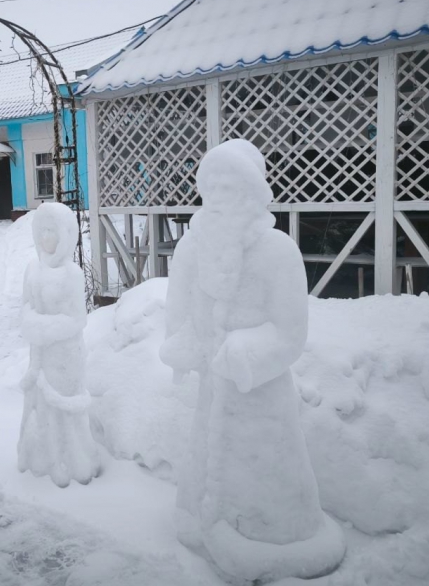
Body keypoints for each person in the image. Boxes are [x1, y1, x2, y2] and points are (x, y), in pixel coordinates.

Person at [160, 139, 345, 583]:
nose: (219, 195)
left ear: (250, 191)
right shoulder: (192, 248)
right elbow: (178, 313)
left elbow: (291, 332)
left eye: (230, 185)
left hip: (261, 397)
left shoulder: (276, 250)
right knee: (208, 461)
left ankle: (271, 536)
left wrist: (246, 353)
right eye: (211, 185)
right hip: (211, 387)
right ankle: (204, 523)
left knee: (265, 472)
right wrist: (184, 344)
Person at [17, 202, 100, 487]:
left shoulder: (72, 274)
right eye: (42, 230)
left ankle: (73, 461)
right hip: (39, 356)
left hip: (65, 358)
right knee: (41, 409)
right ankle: (44, 459)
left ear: (66, 234)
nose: (45, 237)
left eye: (52, 231)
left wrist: (43, 329)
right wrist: (34, 327)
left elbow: (77, 320)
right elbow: (25, 309)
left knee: (63, 407)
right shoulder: (32, 269)